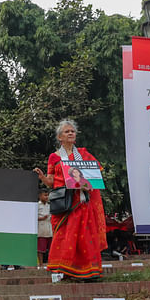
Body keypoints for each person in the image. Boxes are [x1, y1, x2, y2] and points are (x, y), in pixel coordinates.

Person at [34, 120, 107, 280]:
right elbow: (52, 181)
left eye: (73, 131)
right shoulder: (54, 157)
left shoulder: (84, 154)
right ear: (60, 137)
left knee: (85, 235)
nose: (71, 133)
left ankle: (88, 271)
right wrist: (43, 178)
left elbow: (95, 175)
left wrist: (88, 184)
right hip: (64, 203)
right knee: (63, 236)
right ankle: (64, 271)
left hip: (81, 202)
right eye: (67, 131)